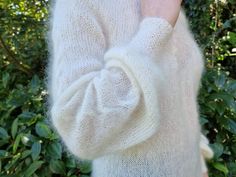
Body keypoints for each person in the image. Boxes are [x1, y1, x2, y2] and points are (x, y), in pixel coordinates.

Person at [45, 0, 214, 176]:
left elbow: (179, 104)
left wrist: (200, 165)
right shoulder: (79, 4)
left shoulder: (167, 4)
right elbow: (82, 130)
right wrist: (154, 30)